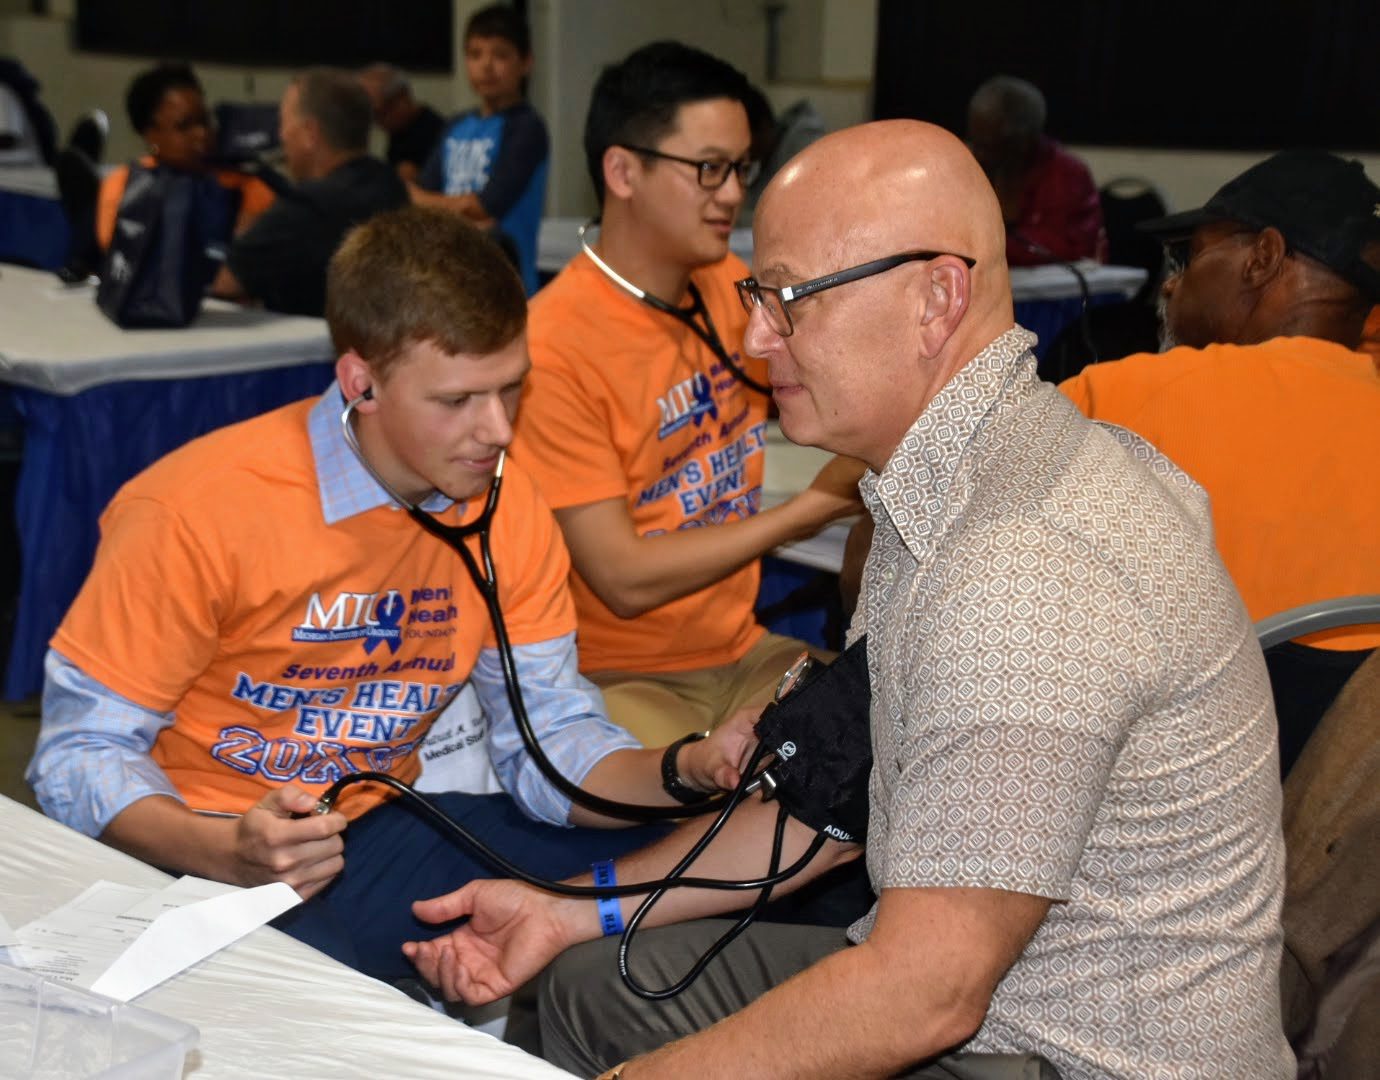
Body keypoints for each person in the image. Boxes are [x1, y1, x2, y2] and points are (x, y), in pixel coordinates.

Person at [403, 121, 1294, 1080]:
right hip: (991, 996)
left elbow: (924, 995)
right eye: (756, 296)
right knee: (591, 976)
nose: (753, 337)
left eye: (788, 300)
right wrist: (567, 907)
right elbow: (831, 808)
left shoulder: (1021, 565)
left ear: (935, 298)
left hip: (1071, 1055)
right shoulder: (965, 480)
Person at [26, 206, 757, 982]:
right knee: (325, 1007)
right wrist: (225, 850)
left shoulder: (509, 509)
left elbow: (550, 749)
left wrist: (688, 768)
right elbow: (77, 753)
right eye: (458, 401)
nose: (500, 429)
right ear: (360, 384)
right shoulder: (194, 509)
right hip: (196, 851)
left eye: (512, 388)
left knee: (698, 867)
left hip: (375, 833)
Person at [510, 41, 862, 748]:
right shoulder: (552, 345)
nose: (732, 193)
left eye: (740, 169)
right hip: (619, 677)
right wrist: (802, 516)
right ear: (623, 171)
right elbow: (623, 579)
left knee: (880, 738)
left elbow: (844, 405)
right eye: (708, 169)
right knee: (727, 794)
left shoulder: (726, 285)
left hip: (746, 652)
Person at [1059, 148, 1380, 773]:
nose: (1173, 281)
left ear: (1262, 258)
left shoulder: (1126, 396)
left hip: (1172, 795)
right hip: (1343, 818)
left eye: (1190, 255)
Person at [213, 67, 407, 317]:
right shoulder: (388, 183)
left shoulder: (309, 207)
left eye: (284, 123)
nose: (281, 136)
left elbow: (224, 280)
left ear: (309, 133)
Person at [409, 3, 548, 294]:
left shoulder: (527, 127)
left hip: (508, 283)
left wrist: (439, 202)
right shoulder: (455, 125)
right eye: (475, 54)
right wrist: (462, 208)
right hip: (448, 281)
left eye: (500, 55)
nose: (486, 65)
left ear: (526, 63)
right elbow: (415, 199)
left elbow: (489, 205)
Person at [96, 62, 274, 251]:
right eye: (184, 126)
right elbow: (122, 253)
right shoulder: (124, 186)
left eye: (204, 121)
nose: (202, 134)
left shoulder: (245, 183)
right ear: (150, 135)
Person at [966, 75, 1105, 267]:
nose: (978, 154)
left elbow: (1064, 248)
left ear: (1022, 141)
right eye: (975, 141)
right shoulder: (973, 167)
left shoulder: (1066, 174)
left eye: (989, 145)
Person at [358, 63, 445, 183]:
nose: (376, 123)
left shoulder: (435, 134)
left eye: (378, 113)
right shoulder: (398, 132)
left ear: (402, 98)